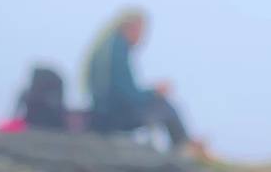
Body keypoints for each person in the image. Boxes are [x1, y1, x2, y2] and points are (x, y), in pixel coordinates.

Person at [83, 8, 197, 153]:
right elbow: (128, 95)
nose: (142, 37)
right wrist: (155, 92)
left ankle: (186, 145)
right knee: (164, 107)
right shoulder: (117, 50)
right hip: (113, 116)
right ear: (131, 28)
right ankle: (185, 147)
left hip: (104, 112)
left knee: (162, 105)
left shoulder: (109, 46)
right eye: (141, 30)